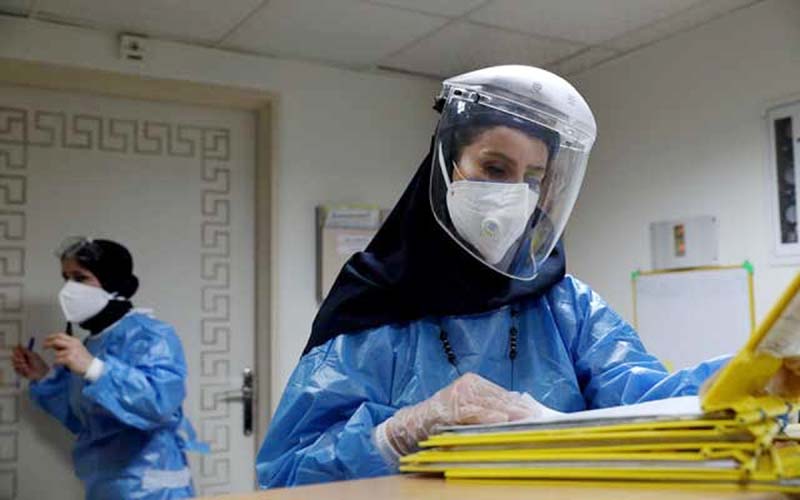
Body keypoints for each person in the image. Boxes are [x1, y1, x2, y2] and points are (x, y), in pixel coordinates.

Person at [255, 65, 800, 488]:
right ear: (446, 166)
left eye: (534, 177)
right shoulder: (373, 307)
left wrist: (759, 376)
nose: (518, 194)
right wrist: (394, 434)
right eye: (495, 169)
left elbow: (650, 403)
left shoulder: (568, 306)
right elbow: (284, 473)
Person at [12, 237, 205, 499]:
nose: (69, 289)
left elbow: (159, 406)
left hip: (153, 487)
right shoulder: (91, 344)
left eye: (80, 278)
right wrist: (44, 376)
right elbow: (85, 419)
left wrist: (94, 369)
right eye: (65, 278)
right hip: (104, 485)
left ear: (113, 282)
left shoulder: (151, 336)